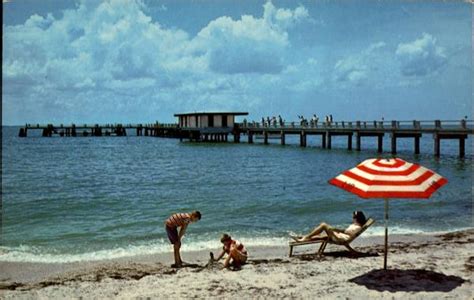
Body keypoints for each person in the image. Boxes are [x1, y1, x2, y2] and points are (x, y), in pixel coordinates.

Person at [292, 211, 367, 243]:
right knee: (321, 237)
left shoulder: (357, 227)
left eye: (354, 217)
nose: (352, 218)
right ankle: (303, 238)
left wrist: (335, 229)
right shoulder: (355, 225)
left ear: (357, 218)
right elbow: (346, 232)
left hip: (340, 239)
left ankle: (305, 237)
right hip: (339, 236)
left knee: (324, 225)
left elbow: (346, 232)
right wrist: (336, 231)